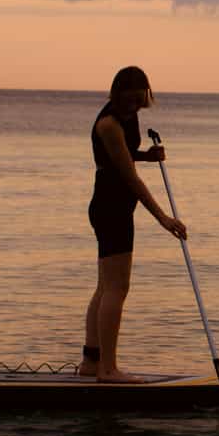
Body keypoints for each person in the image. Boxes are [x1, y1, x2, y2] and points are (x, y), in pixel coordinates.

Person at [79, 66, 187, 383]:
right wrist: (164, 218)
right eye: (130, 101)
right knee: (117, 288)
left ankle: (91, 361)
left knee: (105, 286)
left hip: (113, 207)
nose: (134, 108)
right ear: (118, 94)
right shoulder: (109, 124)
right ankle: (108, 369)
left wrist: (146, 155)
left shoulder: (126, 117)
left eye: (139, 102)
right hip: (111, 208)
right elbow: (128, 177)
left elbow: (123, 157)